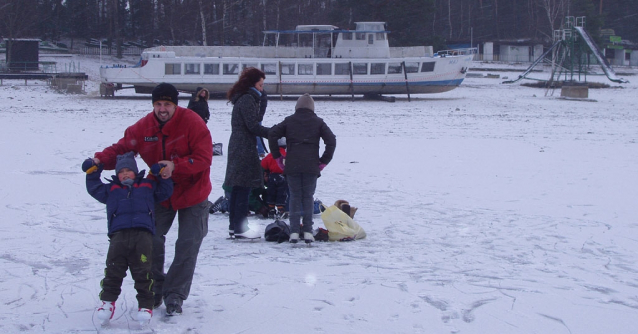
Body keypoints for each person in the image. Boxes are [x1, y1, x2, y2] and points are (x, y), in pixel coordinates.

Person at [91, 82, 213, 316]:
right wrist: (99, 160)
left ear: (175, 105)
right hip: (161, 193)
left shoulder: (193, 123)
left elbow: (204, 158)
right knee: (151, 239)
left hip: (194, 192)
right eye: (158, 104)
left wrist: (175, 166)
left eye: (167, 104)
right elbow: (122, 149)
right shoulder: (144, 127)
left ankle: (175, 293)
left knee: (188, 243)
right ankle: (156, 287)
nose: (162, 109)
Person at [82, 152, 173, 324]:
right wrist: (93, 172)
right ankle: (107, 303)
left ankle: (146, 305)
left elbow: (164, 192)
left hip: (143, 236)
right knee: (113, 270)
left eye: (128, 171)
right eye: (121, 171)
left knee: (143, 271)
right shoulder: (111, 190)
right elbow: (94, 188)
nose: (124, 174)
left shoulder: (147, 185)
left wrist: (162, 175)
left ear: (135, 171)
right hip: (119, 236)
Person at [268, 93, 336, 244]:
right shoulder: (318, 122)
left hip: (292, 165)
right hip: (311, 166)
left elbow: (272, 134)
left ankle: (293, 232)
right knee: (308, 197)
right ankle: (307, 232)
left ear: (297, 106)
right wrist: (323, 161)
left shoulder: (289, 121)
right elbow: (331, 141)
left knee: (294, 197)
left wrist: (278, 157)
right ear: (312, 107)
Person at [224, 67, 270, 239]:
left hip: (240, 145)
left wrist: (262, 101)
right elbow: (254, 125)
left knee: (238, 188)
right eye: (260, 85)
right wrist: (272, 133)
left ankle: (234, 226)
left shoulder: (246, 99)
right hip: (243, 146)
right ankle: (240, 228)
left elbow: (255, 121)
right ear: (252, 84)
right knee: (242, 188)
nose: (262, 88)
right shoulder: (247, 100)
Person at [261, 137, 288, 218]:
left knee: (271, 193)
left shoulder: (271, 155)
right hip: (283, 177)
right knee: (281, 194)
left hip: (272, 177)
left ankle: (271, 208)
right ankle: (281, 209)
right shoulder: (287, 155)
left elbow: (263, 164)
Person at [256, 89, 268, 158]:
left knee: (258, 134)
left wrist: (260, 115)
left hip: (257, 115)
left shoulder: (262, 92)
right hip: (255, 114)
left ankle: (261, 151)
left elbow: (263, 105)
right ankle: (261, 151)